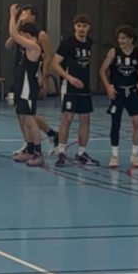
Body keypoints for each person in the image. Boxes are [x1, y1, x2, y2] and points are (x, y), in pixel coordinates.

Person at [5, 5, 56, 153]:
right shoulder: (20, 32)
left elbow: (47, 57)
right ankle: (29, 143)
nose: (23, 15)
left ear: (33, 16)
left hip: (31, 76)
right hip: (20, 73)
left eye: (25, 13)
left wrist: (44, 78)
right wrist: (17, 23)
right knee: (21, 112)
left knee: (29, 115)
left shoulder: (39, 36)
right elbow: (9, 44)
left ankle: (39, 144)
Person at [53, 14, 98, 167]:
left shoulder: (89, 43)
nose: (81, 29)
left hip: (84, 87)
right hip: (70, 87)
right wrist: (69, 78)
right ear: (74, 27)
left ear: (88, 28)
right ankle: (61, 152)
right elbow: (55, 63)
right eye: (79, 26)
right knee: (67, 119)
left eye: (84, 26)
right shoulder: (67, 43)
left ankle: (81, 153)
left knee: (85, 120)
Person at [100, 26, 138, 170]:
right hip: (118, 92)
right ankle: (114, 155)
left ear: (131, 39)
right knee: (116, 124)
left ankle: (135, 154)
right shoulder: (113, 52)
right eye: (119, 38)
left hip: (133, 91)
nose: (120, 41)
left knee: (137, 123)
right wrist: (108, 87)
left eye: (124, 38)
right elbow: (102, 70)